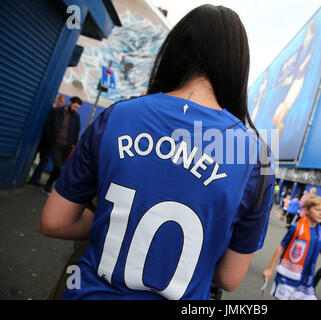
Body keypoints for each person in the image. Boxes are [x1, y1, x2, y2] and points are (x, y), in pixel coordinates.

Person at [40, 4, 274, 300]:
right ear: (238, 65)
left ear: (173, 51)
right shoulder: (255, 156)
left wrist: (111, 221)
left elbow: (55, 221)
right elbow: (230, 277)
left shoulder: (118, 116)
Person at [262, 196, 321, 300]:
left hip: (305, 280)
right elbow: (281, 247)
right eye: (317, 210)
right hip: (288, 275)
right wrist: (270, 268)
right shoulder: (296, 228)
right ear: (307, 210)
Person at [43, 96, 81, 195]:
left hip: (67, 147)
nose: (75, 109)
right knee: (58, 167)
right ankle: (49, 186)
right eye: (75, 106)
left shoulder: (76, 117)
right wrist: (51, 139)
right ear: (70, 102)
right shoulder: (57, 112)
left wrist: (73, 144)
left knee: (59, 169)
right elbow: (48, 125)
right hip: (55, 144)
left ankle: (48, 186)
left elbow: (76, 132)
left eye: (77, 108)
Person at [28, 94, 66, 186]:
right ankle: (29, 176)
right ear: (58, 100)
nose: (61, 104)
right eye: (61, 102)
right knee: (36, 158)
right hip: (43, 139)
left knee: (43, 160)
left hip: (47, 141)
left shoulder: (57, 111)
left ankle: (34, 178)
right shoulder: (52, 109)